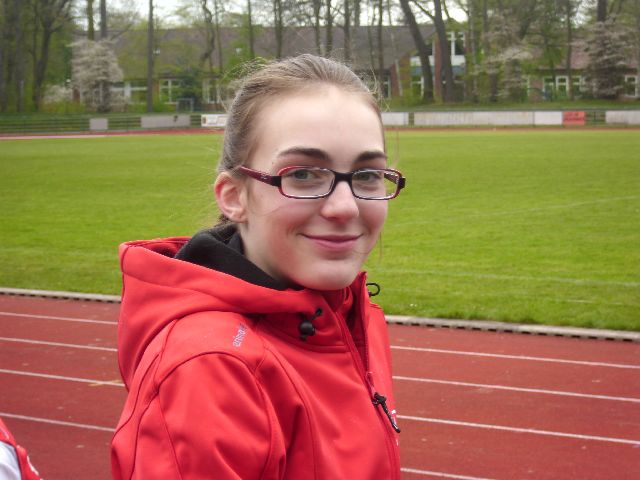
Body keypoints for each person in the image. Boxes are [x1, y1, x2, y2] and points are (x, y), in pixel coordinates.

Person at [111, 53, 406, 479]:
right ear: (234, 197)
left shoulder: (348, 318)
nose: (345, 207)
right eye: (302, 174)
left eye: (367, 175)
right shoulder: (212, 367)